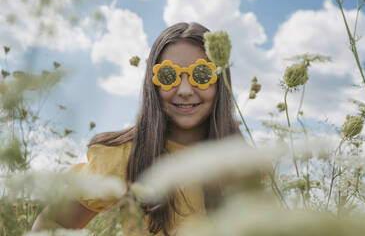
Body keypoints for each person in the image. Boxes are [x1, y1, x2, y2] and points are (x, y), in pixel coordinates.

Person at [32, 22, 242, 236]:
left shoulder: (243, 163)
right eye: (169, 76)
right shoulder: (125, 157)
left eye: (202, 75)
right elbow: (53, 222)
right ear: (153, 84)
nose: (185, 90)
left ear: (220, 81)